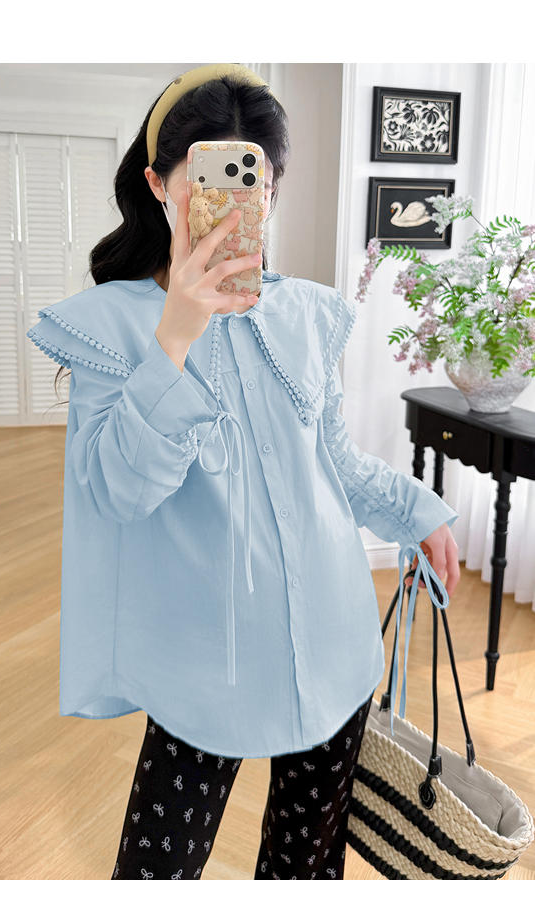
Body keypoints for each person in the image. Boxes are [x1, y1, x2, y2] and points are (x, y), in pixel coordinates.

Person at [27, 64, 460, 880]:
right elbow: (118, 491)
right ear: (158, 185)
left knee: (305, 870)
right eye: (209, 181)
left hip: (333, 645)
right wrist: (177, 336)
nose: (235, 204)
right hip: (200, 672)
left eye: (256, 181)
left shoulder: (308, 315)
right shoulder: (109, 328)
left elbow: (334, 462)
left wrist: (420, 512)